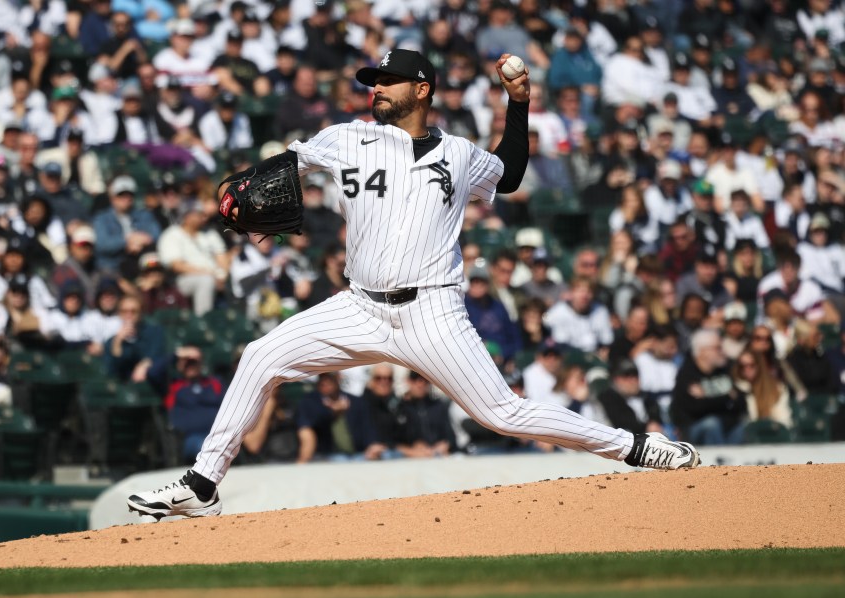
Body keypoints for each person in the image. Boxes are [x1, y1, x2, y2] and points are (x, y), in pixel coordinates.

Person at [127, 49, 699, 520]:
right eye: (373, 81)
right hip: (358, 307)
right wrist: (242, 198)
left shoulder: (458, 154)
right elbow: (280, 170)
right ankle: (202, 485)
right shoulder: (346, 137)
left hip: (432, 313)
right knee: (260, 355)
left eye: (388, 81)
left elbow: (513, 171)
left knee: (503, 414)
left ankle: (636, 447)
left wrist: (518, 104)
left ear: (421, 90)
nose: (376, 89)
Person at [670, 328, 747, 445]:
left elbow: (741, 402)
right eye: (718, 348)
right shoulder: (686, 374)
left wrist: (706, 397)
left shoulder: (725, 369)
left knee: (746, 427)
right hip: (695, 431)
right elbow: (694, 408)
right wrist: (726, 397)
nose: (723, 352)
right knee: (711, 424)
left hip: (728, 428)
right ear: (703, 351)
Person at [166, 346, 225, 462]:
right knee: (206, 447)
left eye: (194, 362)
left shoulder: (214, 383)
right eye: (187, 362)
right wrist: (177, 354)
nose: (191, 366)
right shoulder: (173, 386)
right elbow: (153, 372)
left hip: (218, 435)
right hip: (190, 438)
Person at [731, 348, 793, 430]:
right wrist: (745, 390)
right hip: (746, 435)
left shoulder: (777, 388)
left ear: (759, 365)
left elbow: (783, 418)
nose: (747, 369)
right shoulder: (736, 389)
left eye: (751, 365)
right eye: (742, 366)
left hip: (772, 431)